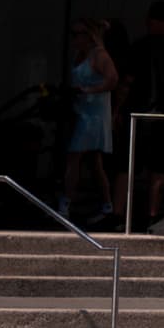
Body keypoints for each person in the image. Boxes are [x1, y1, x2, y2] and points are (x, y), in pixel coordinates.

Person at [119, 0, 164, 228]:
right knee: (157, 168)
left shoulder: (138, 47)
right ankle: (151, 215)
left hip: (139, 114)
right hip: (162, 115)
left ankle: (119, 214)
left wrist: (118, 110)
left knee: (127, 165)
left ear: (149, 20)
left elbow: (127, 83)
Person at [61, 19, 119, 226]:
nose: (75, 39)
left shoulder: (99, 55)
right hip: (81, 111)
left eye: (79, 34)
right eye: (73, 34)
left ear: (89, 35)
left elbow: (112, 79)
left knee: (74, 156)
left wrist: (90, 90)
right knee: (94, 162)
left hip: (93, 114)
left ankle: (65, 204)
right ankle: (106, 205)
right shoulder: (79, 55)